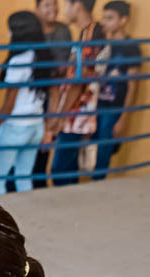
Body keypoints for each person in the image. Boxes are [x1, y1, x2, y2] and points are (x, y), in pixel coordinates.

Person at [0, 11, 57, 196]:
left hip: (16, 127)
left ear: (19, 33)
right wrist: (49, 126)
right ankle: (28, 213)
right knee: (24, 176)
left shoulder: (18, 61)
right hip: (36, 126)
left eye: (10, 30)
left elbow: (8, 107)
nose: (8, 34)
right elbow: (53, 94)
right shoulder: (43, 57)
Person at [49, 0, 109, 186]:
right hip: (74, 110)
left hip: (77, 112)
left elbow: (80, 79)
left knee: (59, 169)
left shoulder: (93, 34)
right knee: (68, 167)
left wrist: (61, 115)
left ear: (77, 5)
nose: (63, 10)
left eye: (67, 4)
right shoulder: (85, 33)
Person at [94, 0, 141, 180]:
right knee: (88, 147)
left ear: (123, 20)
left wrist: (123, 118)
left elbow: (132, 85)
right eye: (104, 18)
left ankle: (97, 186)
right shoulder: (102, 44)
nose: (105, 22)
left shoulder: (131, 47)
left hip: (113, 107)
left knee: (104, 151)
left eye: (110, 18)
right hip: (96, 103)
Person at [31, 0, 73, 188]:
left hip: (53, 93)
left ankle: (39, 183)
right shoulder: (32, 31)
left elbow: (63, 67)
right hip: (33, 94)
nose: (53, 9)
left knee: (45, 143)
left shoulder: (63, 31)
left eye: (54, 4)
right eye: (47, 5)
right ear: (37, 9)